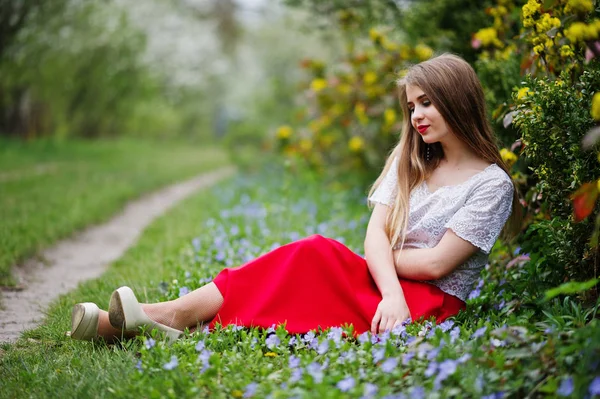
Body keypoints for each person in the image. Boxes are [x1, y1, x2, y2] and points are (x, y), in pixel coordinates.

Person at [69, 53, 520, 343]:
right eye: (411, 106)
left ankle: (154, 318)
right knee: (304, 261)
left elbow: (438, 264)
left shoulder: (491, 185)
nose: (417, 116)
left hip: (427, 306)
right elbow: (374, 233)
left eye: (427, 103)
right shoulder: (409, 161)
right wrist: (382, 271)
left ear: (458, 102)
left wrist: (383, 270)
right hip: (386, 289)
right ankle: (161, 317)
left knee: (313, 257)